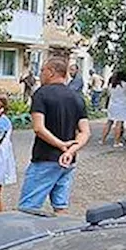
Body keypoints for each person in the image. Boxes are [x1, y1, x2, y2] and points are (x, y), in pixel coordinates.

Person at [19, 57, 90, 214]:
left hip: (45, 159)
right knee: (60, 207)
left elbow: (38, 128)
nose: (40, 74)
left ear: (51, 72)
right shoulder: (77, 97)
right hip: (68, 162)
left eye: (42, 71)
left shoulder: (41, 94)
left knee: (28, 208)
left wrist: (60, 144)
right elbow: (85, 132)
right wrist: (70, 151)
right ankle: (63, 236)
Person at [103, 72, 126, 147]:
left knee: (109, 122)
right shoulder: (125, 85)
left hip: (112, 105)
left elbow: (109, 95)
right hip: (122, 106)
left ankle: (102, 140)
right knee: (119, 124)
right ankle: (116, 142)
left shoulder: (111, 84)